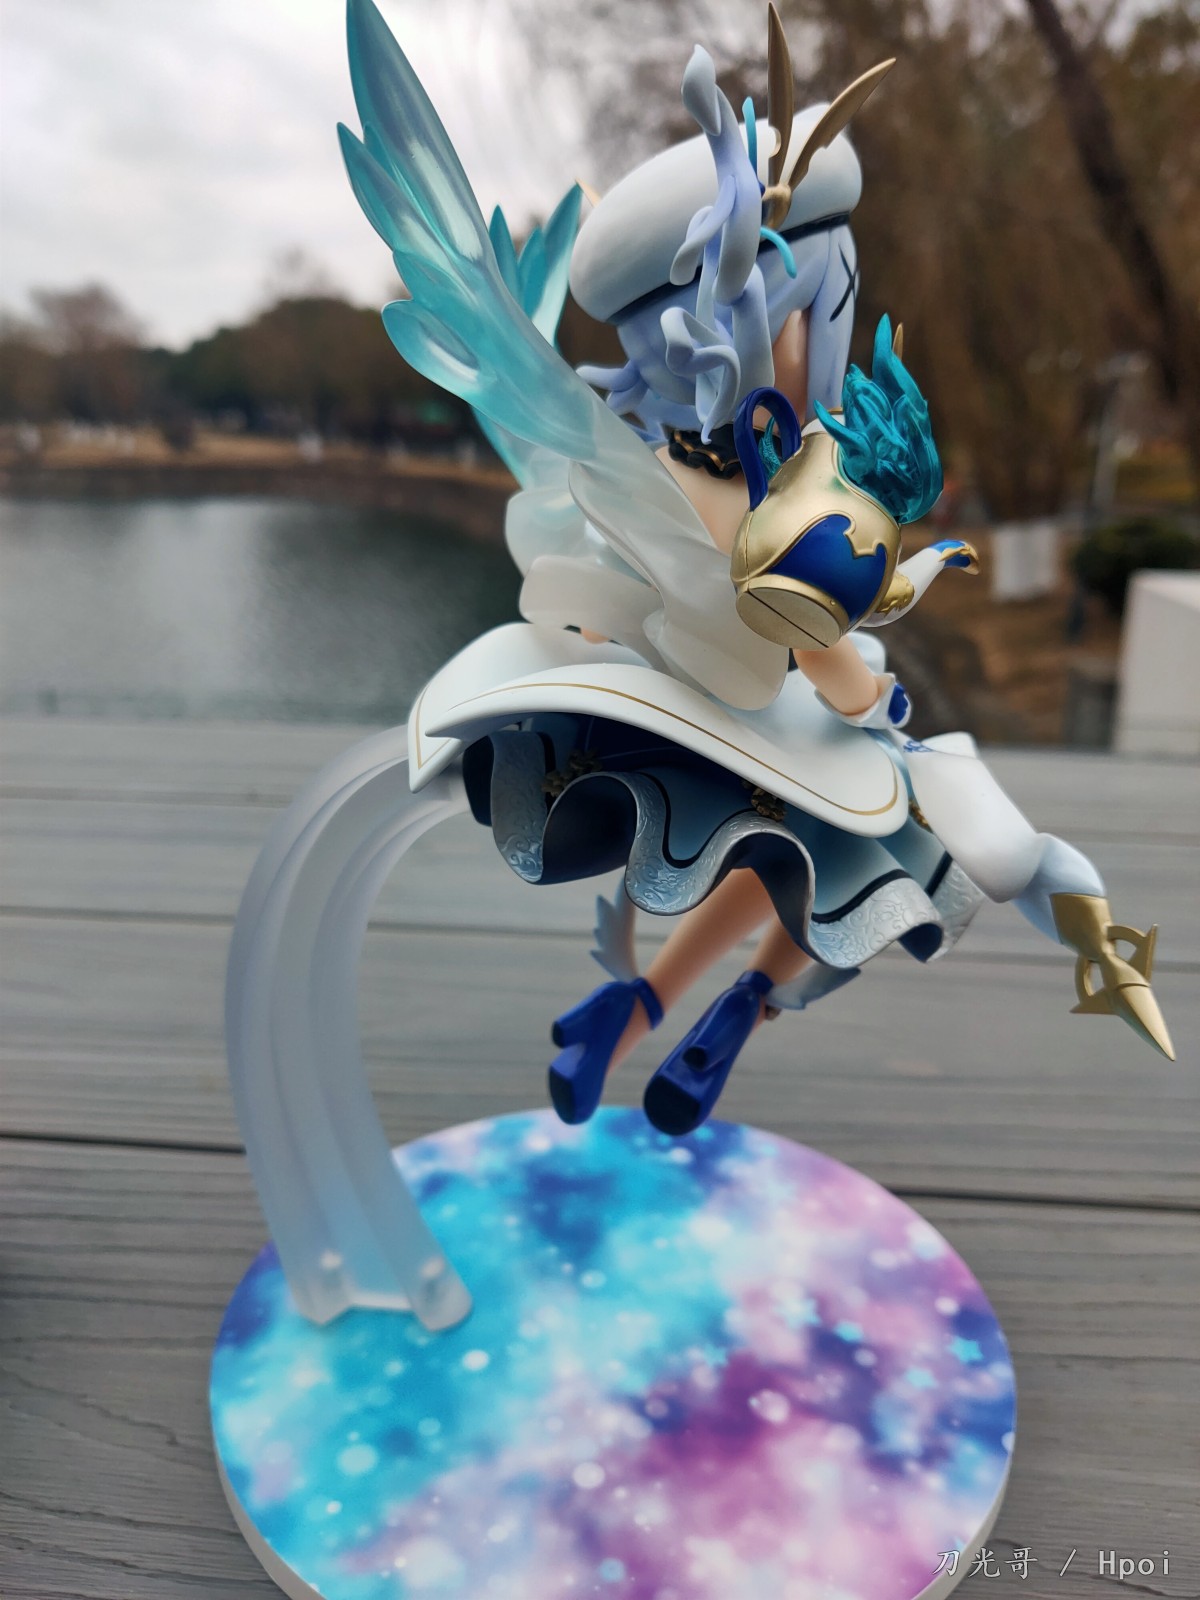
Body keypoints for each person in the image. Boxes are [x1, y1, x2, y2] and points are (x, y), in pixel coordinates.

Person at [339, 0, 1174, 1138]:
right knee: (882, 860)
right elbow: (818, 648)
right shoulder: (775, 497)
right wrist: (875, 700)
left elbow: (599, 576)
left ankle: (633, 1010)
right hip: (751, 716)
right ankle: (733, 1011)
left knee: (768, 860)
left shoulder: (637, 461)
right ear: (796, 314)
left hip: (683, 722)